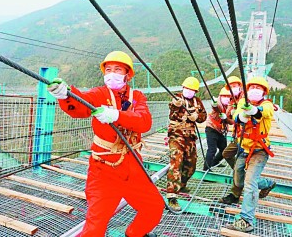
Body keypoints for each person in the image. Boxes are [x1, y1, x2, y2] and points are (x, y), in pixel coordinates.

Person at [47, 51, 164, 237]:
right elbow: (82, 104)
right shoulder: (100, 93)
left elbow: (144, 121)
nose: (112, 73)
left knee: (154, 207)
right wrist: (66, 95)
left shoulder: (137, 97)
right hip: (104, 171)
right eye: (108, 69)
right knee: (95, 226)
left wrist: (117, 115)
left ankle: (134, 234)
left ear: (128, 74)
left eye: (117, 69)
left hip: (133, 169)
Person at [225, 76, 276, 232]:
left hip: (260, 151)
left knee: (249, 184)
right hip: (244, 149)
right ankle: (268, 183)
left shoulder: (266, 104)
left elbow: (266, 111)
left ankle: (246, 220)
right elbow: (236, 115)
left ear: (264, 92)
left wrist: (255, 111)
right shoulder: (242, 102)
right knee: (239, 182)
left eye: (258, 88)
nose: (255, 91)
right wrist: (241, 116)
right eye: (252, 88)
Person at [166, 77, 207, 211]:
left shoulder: (197, 102)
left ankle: (182, 183)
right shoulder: (177, 98)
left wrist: (197, 117)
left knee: (191, 164)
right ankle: (172, 195)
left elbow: (203, 116)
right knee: (176, 162)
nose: (188, 91)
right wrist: (176, 106)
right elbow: (172, 113)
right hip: (176, 136)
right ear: (183, 88)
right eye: (187, 88)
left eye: (192, 90)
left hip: (190, 137)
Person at [203, 87, 234, 171]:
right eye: (224, 96)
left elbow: (232, 121)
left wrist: (226, 119)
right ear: (220, 97)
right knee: (212, 149)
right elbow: (215, 107)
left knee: (224, 150)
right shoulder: (218, 103)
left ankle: (214, 162)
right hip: (211, 128)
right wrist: (214, 104)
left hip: (221, 131)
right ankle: (206, 169)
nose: (226, 99)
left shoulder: (231, 107)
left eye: (228, 97)